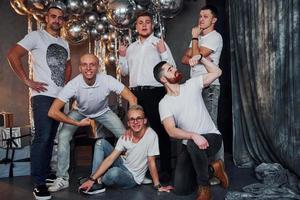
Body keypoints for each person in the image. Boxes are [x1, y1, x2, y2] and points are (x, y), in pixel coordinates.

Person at [6, 2, 71, 200]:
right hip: (42, 96)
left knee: (51, 137)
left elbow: (68, 67)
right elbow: (13, 54)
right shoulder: (36, 36)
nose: (56, 20)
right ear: (46, 18)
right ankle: (39, 183)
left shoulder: (64, 43)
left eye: (60, 17)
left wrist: (66, 88)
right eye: (53, 16)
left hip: (59, 97)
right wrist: (27, 80)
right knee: (42, 137)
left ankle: (44, 172)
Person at [47, 53, 137, 192]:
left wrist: (131, 124)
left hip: (103, 112)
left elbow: (132, 98)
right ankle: (62, 179)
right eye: (84, 65)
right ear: (80, 68)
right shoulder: (74, 84)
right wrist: (76, 124)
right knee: (63, 135)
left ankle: (133, 172)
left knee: (126, 135)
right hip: (80, 112)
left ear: (98, 67)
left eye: (92, 64)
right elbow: (52, 111)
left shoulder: (107, 80)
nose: (88, 68)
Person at [153, 54, 229, 200]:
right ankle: (214, 168)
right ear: (163, 79)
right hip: (189, 143)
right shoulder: (164, 103)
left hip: (212, 137)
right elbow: (171, 131)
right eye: (170, 69)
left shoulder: (192, 84)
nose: (174, 69)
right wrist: (193, 135)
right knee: (181, 189)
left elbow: (217, 72)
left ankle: (205, 188)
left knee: (194, 145)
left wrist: (201, 58)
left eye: (173, 67)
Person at [118, 11, 176, 182]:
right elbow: (124, 72)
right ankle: (138, 171)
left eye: (147, 22)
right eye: (140, 22)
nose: (144, 25)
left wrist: (163, 52)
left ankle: (165, 170)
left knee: (160, 131)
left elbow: (172, 68)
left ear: (152, 25)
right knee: (136, 132)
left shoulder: (160, 43)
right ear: (136, 27)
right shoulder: (131, 48)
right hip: (135, 94)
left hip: (155, 92)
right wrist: (122, 56)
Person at [79, 105, 173, 195]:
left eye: (139, 118)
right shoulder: (125, 136)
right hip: (123, 164)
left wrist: (158, 186)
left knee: (114, 172)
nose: (135, 122)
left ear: (144, 121)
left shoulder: (151, 135)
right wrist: (91, 179)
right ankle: (93, 180)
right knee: (101, 142)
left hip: (132, 177)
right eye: (132, 119)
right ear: (128, 123)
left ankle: (98, 179)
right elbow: (111, 158)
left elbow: (151, 162)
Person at [181, 5, 225, 183]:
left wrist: (194, 41)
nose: (201, 20)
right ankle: (205, 168)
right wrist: (195, 51)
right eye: (200, 16)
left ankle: (217, 167)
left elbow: (196, 55)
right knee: (198, 127)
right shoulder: (198, 38)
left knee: (211, 128)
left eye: (205, 17)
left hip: (210, 87)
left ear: (214, 20)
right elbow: (185, 59)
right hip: (196, 87)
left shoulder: (215, 37)